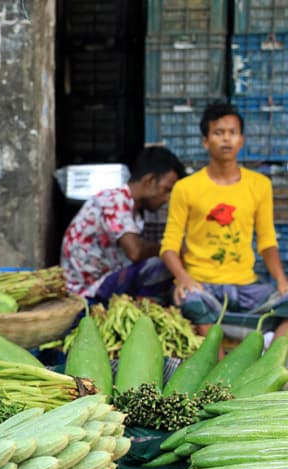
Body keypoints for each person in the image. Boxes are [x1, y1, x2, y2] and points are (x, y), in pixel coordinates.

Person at [161, 102, 288, 336]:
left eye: (233, 133)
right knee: (191, 302)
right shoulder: (185, 188)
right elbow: (169, 245)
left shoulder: (260, 186)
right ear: (205, 141)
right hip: (202, 286)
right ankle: (220, 369)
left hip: (247, 287)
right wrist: (183, 277)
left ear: (242, 140)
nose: (226, 139)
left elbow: (267, 240)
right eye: (218, 133)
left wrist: (282, 280)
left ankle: (272, 364)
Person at [61, 146, 186, 301]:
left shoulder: (134, 210)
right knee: (163, 264)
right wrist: (170, 250)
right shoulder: (115, 200)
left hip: (103, 282)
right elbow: (135, 252)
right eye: (167, 190)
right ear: (150, 181)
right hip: (87, 290)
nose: (167, 198)